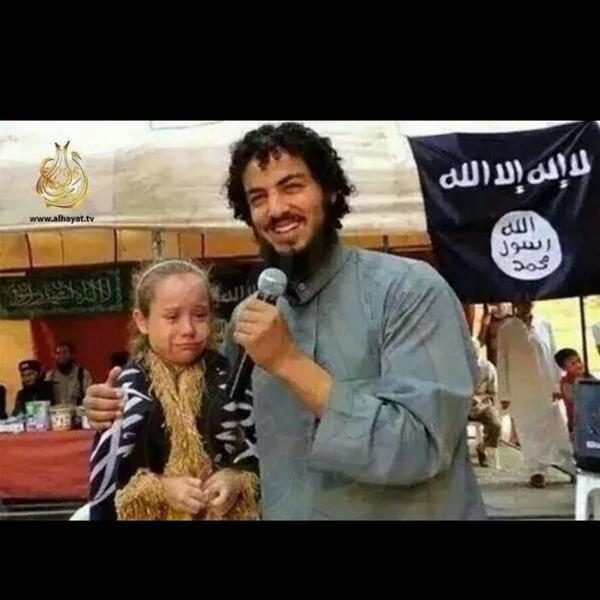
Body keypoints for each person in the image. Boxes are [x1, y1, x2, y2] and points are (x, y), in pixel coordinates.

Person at [85, 122, 484, 520]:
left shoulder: (410, 292)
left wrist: (288, 362)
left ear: (330, 191)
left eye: (291, 187)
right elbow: (223, 434)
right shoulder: (248, 319)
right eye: (258, 197)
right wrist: (117, 408)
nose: (275, 209)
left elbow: (421, 449)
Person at [89, 259, 259, 521]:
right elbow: (111, 480)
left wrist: (237, 480)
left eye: (200, 315)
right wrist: (160, 488)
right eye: (171, 317)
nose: (188, 329)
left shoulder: (233, 382)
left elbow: (264, 456)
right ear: (142, 321)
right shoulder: (128, 392)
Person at [497, 301, 575, 488]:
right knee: (528, 431)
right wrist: (504, 394)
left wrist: (556, 386)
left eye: (529, 301)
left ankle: (570, 467)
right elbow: (502, 361)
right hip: (520, 389)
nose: (525, 305)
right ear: (515, 304)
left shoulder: (544, 325)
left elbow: (553, 355)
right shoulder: (506, 329)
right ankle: (536, 471)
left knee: (556, 429)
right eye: (521, 301)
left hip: (545, 387)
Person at [469, 340, 501, 468]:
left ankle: (483, 447)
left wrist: (479, 399)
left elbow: (493, 392)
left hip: (483, 405)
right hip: (462, 406)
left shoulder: (487, 367)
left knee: (496, 425)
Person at [45, 342, 92, 407]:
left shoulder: (83, 374)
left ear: (72, 355)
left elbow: (89, 397)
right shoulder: (50, 376)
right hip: (56, 411)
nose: (61, 356)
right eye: (58, 353)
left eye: (64, 352)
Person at [554, 347, 587, 435]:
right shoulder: (566, 383)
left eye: (579, 361)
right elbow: (573, 398)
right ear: (564, 369)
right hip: (577, 424)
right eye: (573, 364)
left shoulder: (587, 376)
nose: (579, 365)